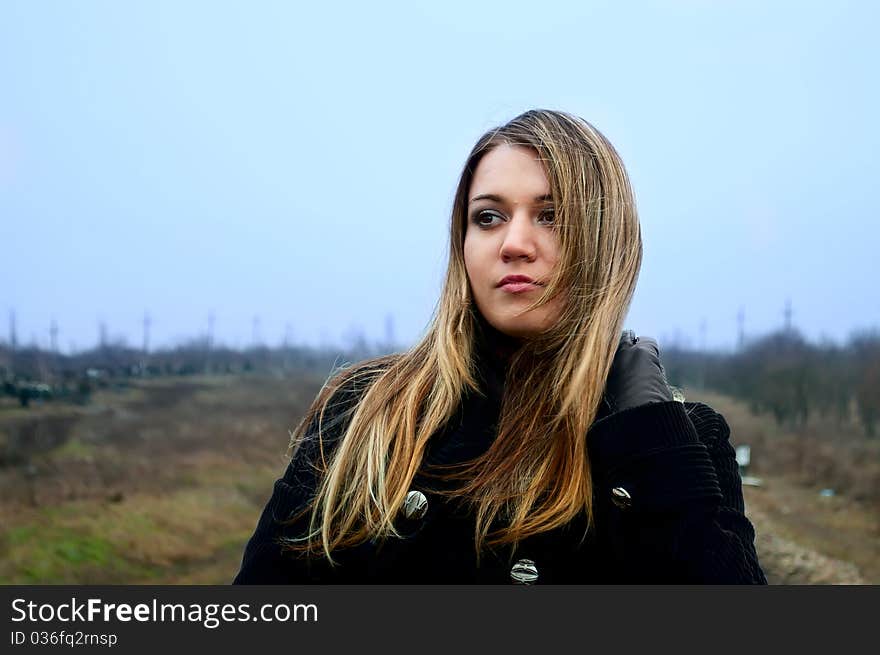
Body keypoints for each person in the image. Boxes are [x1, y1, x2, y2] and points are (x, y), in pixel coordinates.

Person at [232, 109, 768, 584]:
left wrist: (648, 437)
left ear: (606, 240)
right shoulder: (368, 412)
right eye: (488, 217)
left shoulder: (682, 440)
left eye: (551, 216)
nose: (513, 243)